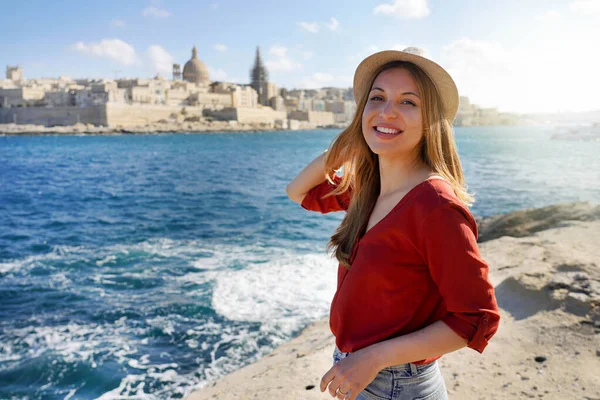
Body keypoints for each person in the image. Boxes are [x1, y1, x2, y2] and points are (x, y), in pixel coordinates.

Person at [286, 47, 500, 400]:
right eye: (378, 97)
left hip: (394, 383)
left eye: (408, 102)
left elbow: (476, 319)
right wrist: (348, 143)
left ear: (431, 120)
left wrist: (374, 358)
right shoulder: (367, 190)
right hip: (361, 372)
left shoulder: (436, 206)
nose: (387, 111)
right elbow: (297, 191)